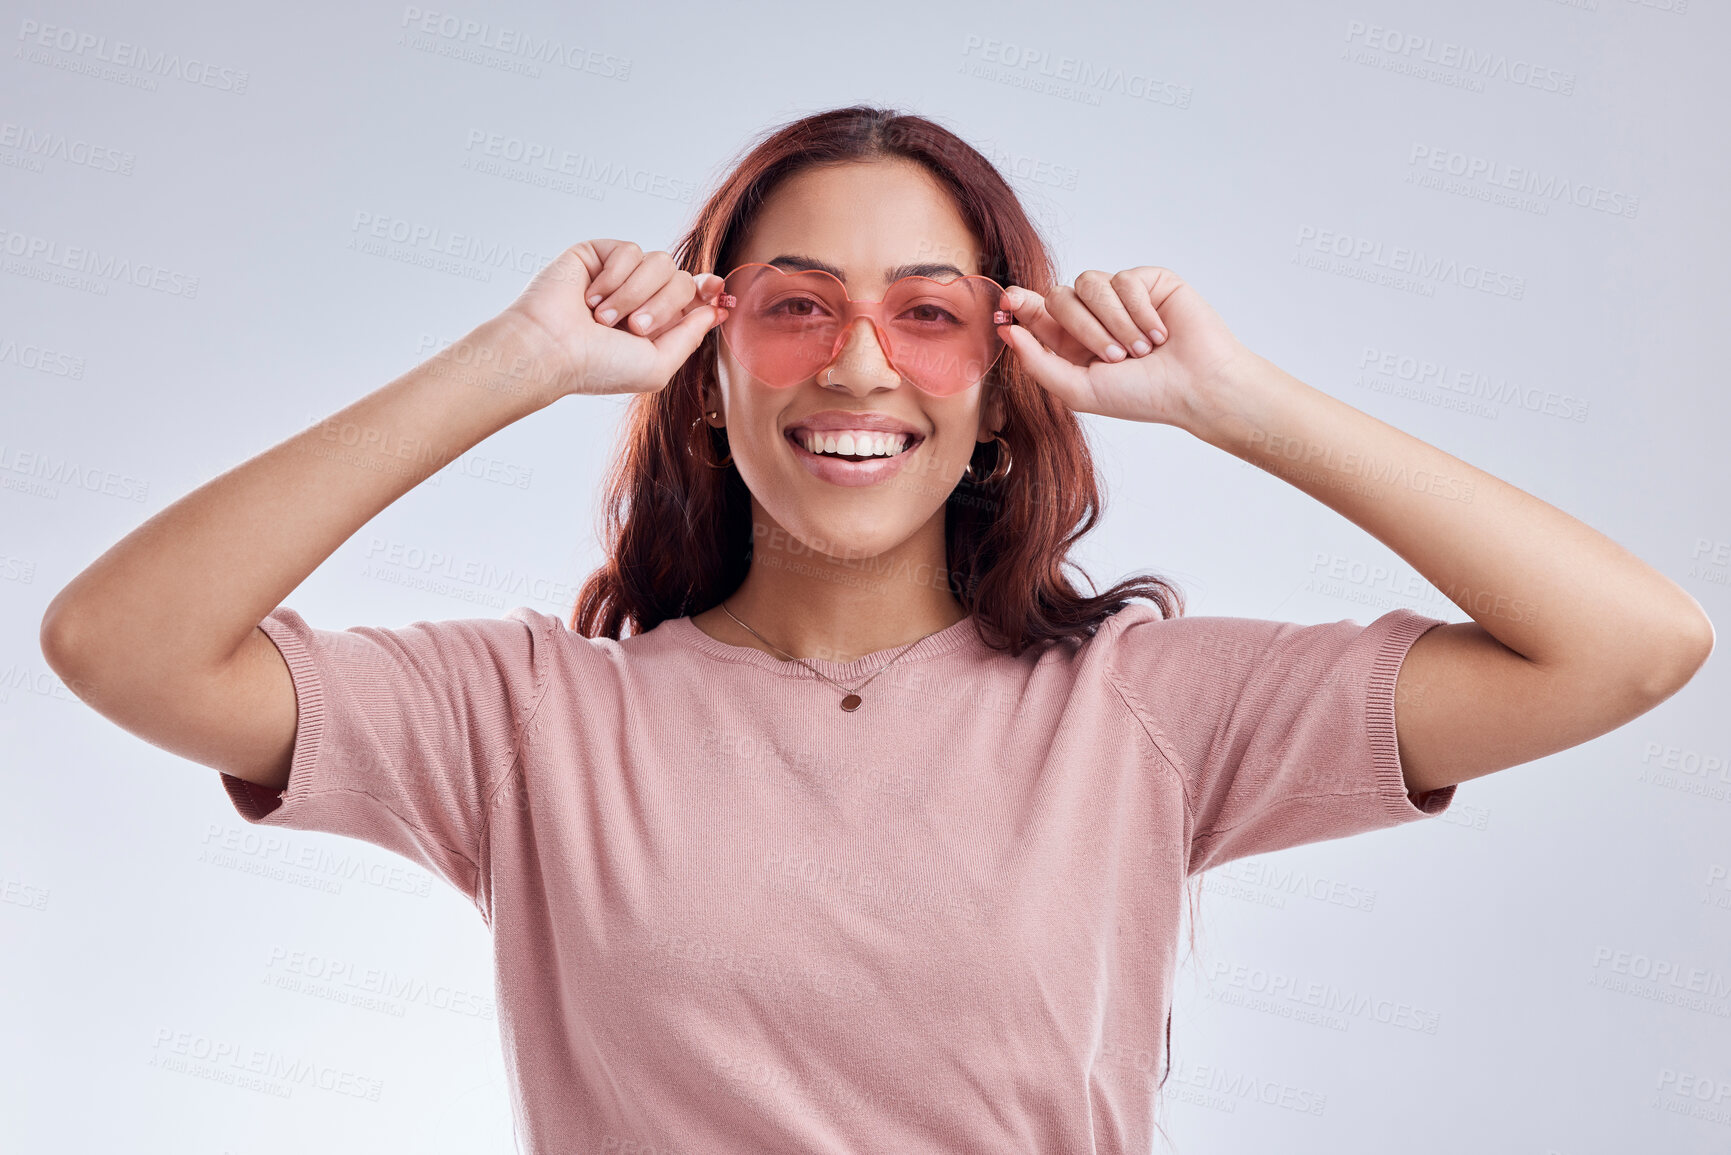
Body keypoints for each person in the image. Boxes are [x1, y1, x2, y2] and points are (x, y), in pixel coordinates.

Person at [40, 105, 1713, 1154]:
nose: (856, 366)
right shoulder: (530, 722)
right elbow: (121, 644)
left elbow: (1630, 646)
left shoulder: (1140, 709)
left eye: (928, 316)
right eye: (794, 311)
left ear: (1000, 394)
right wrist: (514, 362)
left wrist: (1236, 400)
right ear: (707, 382)